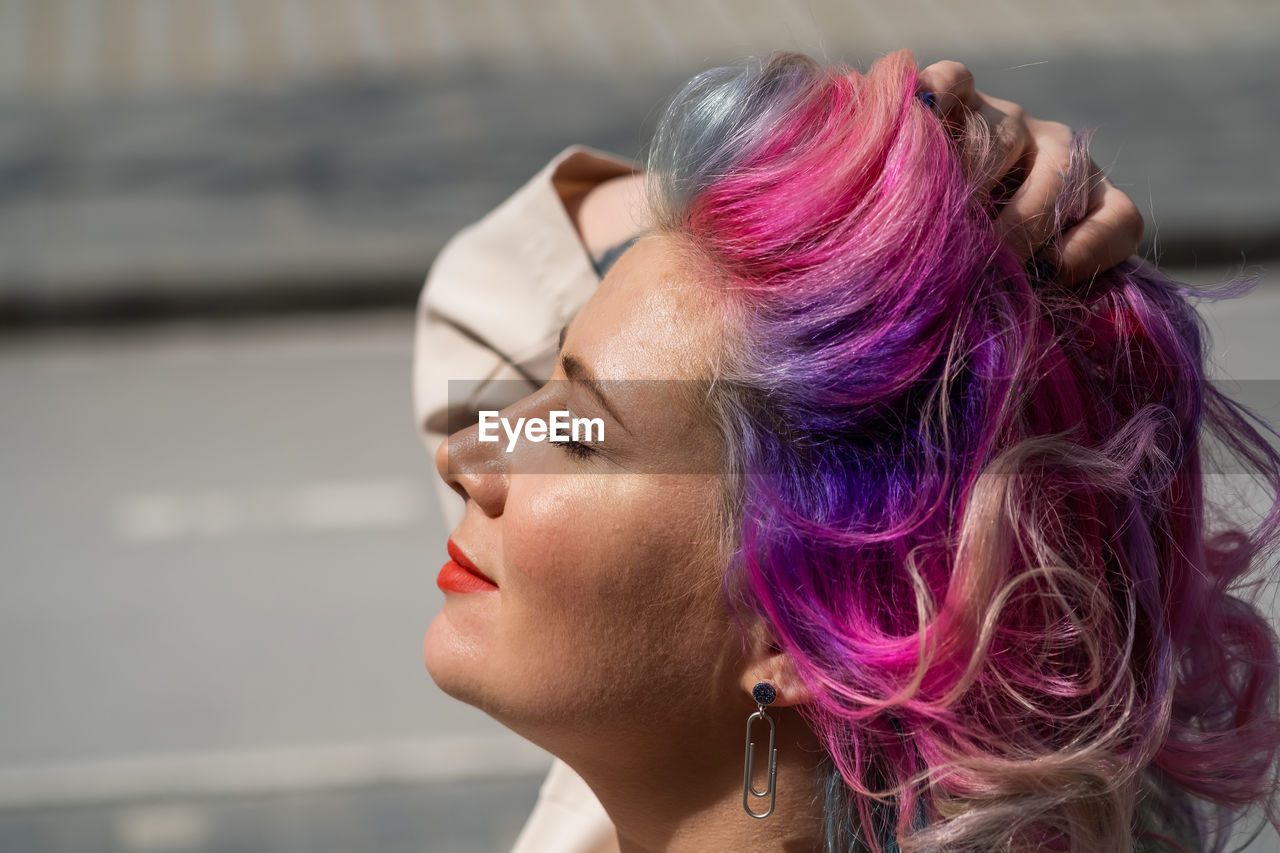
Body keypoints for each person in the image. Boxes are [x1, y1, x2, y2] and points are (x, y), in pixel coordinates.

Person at [416, 51, 1280, 852]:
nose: (469, 449)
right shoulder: (676, 758)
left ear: (801, 628)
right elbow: (499, 286)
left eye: (572, 430)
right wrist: (922, 209)